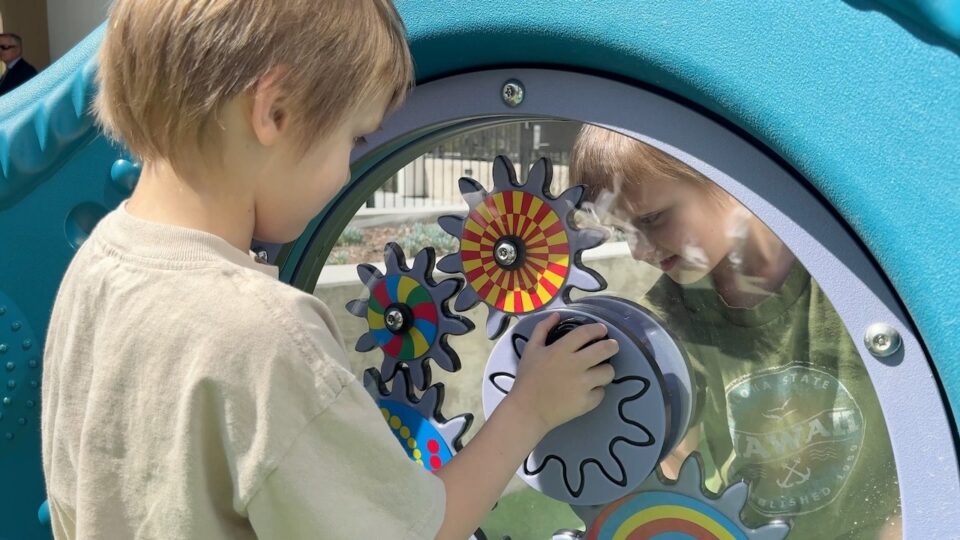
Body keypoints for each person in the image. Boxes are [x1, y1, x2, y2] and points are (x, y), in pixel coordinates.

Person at [39, 2, 619, 539]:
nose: (348, 170)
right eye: (354, 136)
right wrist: (529, 408)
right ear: (275, 111)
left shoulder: (96, 266)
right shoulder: (264, 334)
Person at [570, 124, 900, 539]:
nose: (638, 251)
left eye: (652, 219)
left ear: (724, 175)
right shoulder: (668, 319)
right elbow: (667, 455)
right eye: (623, 232)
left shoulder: (848, 279)